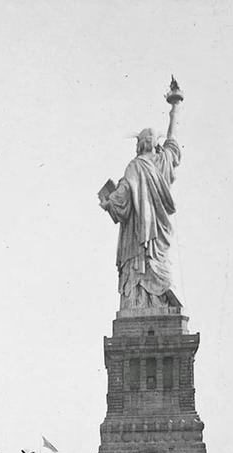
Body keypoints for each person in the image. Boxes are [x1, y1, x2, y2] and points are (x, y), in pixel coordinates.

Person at [99, 82, 184, 311]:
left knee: (139, 267)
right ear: (155, 143)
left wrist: (108, 203)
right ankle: (160, 299)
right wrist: (175, 107)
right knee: (157, 265)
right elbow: (173, 140)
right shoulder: (163, 161)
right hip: (155, 237)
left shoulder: (135, 167)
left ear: (139, 145)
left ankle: (141, 303)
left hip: (138, 238)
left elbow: (122, 197)